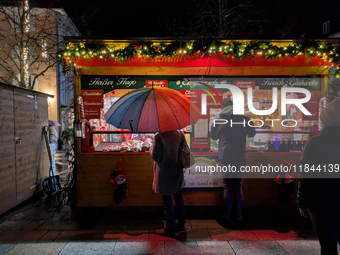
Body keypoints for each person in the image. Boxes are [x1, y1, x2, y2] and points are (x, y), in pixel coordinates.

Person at [297, 97, 340, 255]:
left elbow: (307, 175)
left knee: (328, 247)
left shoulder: (316, 143)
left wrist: (302, 202)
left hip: (322, 204)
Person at [211, 97, 256, 229]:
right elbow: (252, 133)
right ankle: (239, 217)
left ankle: (227, 218)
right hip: (240, 157)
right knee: (237, 187)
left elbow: (213, 136)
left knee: (228, 187)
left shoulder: (219, 120)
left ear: (223, 107)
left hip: (226, 158)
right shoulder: (244, 118)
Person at [150, 130, 186, 236]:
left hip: (164, 172)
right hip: (176, 170)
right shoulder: (179, 133)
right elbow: (184, 149)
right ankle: (181, 224)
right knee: (178, 197)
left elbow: (155, 156)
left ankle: (169, 227)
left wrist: (151, 147)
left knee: (167, 200)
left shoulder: (159, 136)